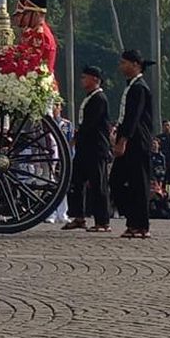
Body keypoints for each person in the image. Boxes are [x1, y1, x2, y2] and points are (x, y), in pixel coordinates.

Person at [110, 49, 154, 239]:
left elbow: (133, 118)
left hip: (137, 140)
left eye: (124, 63)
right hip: (128, 138)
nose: (121, 66)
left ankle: (141, 224)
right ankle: (133, 218)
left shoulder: (139, 87)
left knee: (139, 183)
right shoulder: (131, 86)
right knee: (116, 180)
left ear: (135, 64)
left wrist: (123, 140)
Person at [62, 66, 111, 232]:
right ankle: (79, 216)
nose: (82, 80)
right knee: (77, 181)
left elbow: (90, 124)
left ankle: (102, 221)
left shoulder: (99, 99)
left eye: (85, 77)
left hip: (96, 147)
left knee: (98, 185)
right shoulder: (89, 97)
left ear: (95, 80)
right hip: (85, 148)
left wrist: (77, 136)